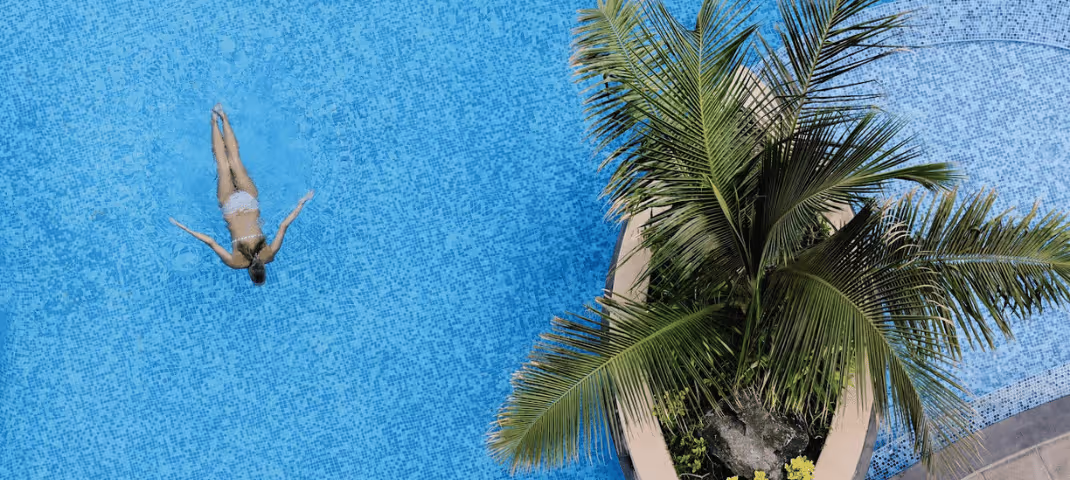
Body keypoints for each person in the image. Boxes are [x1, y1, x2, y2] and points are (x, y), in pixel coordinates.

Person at [170, 103, 313, 285]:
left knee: (234, 159)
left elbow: (284, 225)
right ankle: (214, 120)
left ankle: (223, 116)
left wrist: (301, 202)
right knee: (223, 165)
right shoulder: (236, 263)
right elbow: (211, 242)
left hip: (250, 202)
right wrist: (183, 227)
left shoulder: (270, 254)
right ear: (250, 273)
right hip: (230, 208)